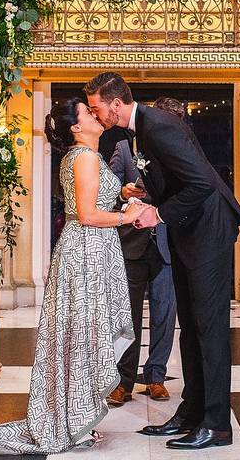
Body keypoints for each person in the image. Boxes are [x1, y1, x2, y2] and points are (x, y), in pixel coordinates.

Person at [0, 97, 142, 455]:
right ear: (76, 126)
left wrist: (121, 192)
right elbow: (86, 214)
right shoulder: (84, 156)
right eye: (88, 112)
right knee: (80, 333)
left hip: (90, 249)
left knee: (81, 333)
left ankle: (73, 413)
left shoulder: (86, 156)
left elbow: (91, 197)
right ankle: (71, 418)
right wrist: (130, 215)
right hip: (85, 249)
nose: (95, 115)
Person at [85, 73, 240, 450]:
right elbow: (178, 180)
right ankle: (192, 413)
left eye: (97, 108)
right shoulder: (140, 129)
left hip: (208, 234)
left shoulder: (157, 124)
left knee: (208, 331)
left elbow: (202, 184)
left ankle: (217, 424)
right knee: (190, 328)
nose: (96, 116)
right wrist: (147, 199)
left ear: (115, 103)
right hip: (189, 233)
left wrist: (157, 214)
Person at [105, 96, 180, 406]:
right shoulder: (125, 149)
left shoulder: (179, 151)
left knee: (165, 313)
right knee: (128, 317)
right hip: (131, 243)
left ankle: (156, 377)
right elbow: (104, 192)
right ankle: (123, 382)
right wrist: (124, 193)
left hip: (166, 243)